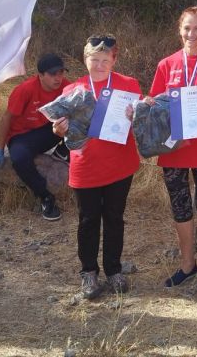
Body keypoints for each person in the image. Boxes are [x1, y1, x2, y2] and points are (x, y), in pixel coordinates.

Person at [52, 35, 141, 299]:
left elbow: (141, 122)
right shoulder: (73, 90)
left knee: (114, 218)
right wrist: (58, 130)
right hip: (86, 166)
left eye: (105, 60)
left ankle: (114, 270)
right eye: (94, 60)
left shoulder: (129, 85)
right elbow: (60, 128)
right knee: (88, 220)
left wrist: (138, 114)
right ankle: (88, 272)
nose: (100, 65)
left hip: (119, 164)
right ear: (85, 59)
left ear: (114, 60)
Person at [148, 7, 197, 287]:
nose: (190, 34)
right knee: (180, 207)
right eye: (186, 28)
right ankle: (187, 264)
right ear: (179, 30)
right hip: (174, 150)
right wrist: (147, 106)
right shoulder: (166, 65)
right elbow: (155, 103)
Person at [0, 53, 70, 221]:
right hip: (22, 135)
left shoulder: (66, 86)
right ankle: (46, 197)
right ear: (40, 75)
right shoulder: (25, 90)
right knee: (20, 159)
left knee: (83, 114)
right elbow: (6, 119)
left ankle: (63, 151)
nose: (58, 78)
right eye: (53, 74)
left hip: (49, 130)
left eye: (61, 73)